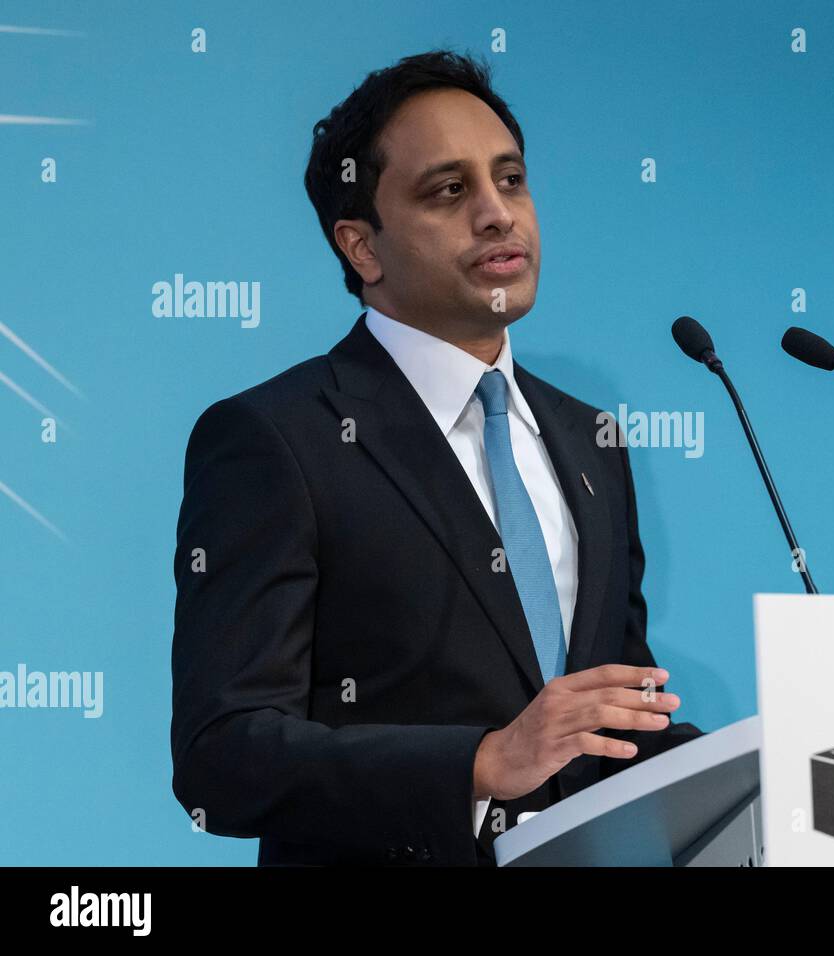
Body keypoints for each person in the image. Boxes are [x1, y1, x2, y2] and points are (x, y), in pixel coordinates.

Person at [170, 49, 703, 867]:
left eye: (511, 179)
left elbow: (611, 720)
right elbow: (223, 758)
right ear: (362, 247)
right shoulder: (278, 439)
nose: (498, 215)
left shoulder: (591, 438)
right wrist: (482, 762)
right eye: (449, 191)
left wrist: (774, 768)